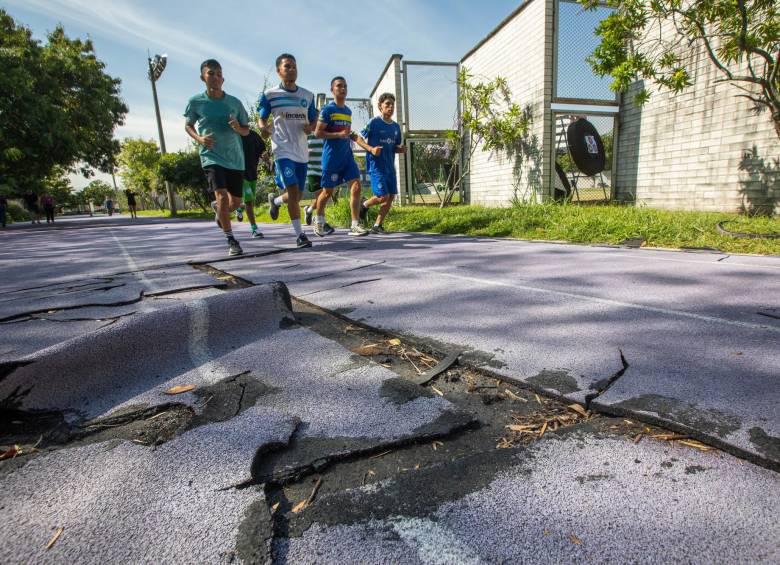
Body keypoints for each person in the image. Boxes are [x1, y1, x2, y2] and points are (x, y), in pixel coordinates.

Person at [184, 59, 251, 256]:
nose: (216, 77)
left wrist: (238, 128)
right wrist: (199, 138)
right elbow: (188, 125)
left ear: (223, 78)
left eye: (219, 74)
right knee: (221, 195)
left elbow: (246, 130)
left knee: (235, 203)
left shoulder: (234, 103)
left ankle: (219, 211)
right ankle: (231, 240)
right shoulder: (196, 102)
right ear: (202, 77)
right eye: (211, 73)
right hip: (211, 156)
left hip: (235, 158)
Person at [258, 53, 317, 248]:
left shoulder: (307, 96)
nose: (291, 70)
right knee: (293, 192)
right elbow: (262, 118)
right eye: (287, 67)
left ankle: (275, 201)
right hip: (282, 149)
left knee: (298, 196)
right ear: (279, 71)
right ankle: (300, 235)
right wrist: (263, 128)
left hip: (301, 151)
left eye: (294, 66)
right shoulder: (269, 95)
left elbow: (313, 120)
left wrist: (311, 127)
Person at [315, 77, 368, 237]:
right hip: (331, 158)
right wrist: (338, 133)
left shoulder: (348, 111)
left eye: (345, 86)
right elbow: (318, 133)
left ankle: (355, 225)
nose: (342, 88)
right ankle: (319, 221)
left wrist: (353, 137)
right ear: (332, 90)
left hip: (347, 157)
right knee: (327, 193)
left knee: (357, 186)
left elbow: (347, 133)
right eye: (339, 86)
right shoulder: (327, 110)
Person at [354, 92, 405, 233]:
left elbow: (394, 147)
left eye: (392, 105)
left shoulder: (395, 127)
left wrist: (400, 149)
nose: (390, 107)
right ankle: (364, 205)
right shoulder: (374, 122)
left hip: (390, 167)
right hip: (376, 166)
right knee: (383, 196)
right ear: (380, 106)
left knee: (391, 197)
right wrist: (371, 149)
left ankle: (377, 226)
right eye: (387, 104)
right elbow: (358, 138)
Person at [234, 129, 266, 238]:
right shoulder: (233, 135)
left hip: (252, 172)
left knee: (250, 201)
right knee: (249, 201)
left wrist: (265, 156)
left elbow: (262, 149)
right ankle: (254, 229)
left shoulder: (253, 135)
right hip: (239, 172)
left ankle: (239, 208)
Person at [303, 133, 336, 235]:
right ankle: (321, 222)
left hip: (325, 169)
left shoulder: (325, 130)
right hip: (312, 170)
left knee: (324, 196)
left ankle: (309, 210)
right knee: (321, 195)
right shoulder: (307, 129)